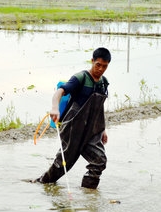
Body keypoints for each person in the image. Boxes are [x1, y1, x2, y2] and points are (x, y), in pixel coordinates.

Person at [34, 47, 111, 189]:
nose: (100, 69)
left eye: (104, 66)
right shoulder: (80, 78)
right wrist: (55, 108)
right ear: (92, 61)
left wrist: (103, 130)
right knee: (63, 164)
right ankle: (43, 182)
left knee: (99, 161)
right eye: (98, 65)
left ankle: (89, 195)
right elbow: (60, 92)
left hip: (92, 130)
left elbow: (99, 108)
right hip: (73, 127)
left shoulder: (103, 83)